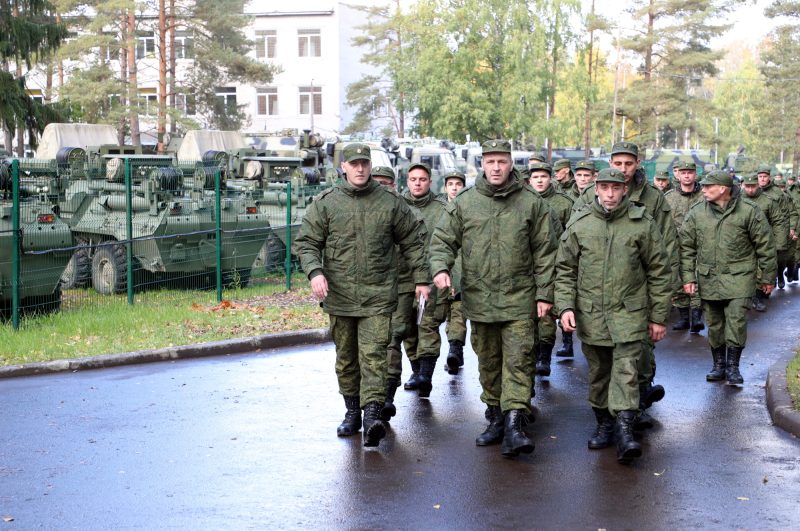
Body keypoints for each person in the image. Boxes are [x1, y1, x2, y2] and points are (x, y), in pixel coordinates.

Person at [293, 143, 431, 448]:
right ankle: (352, 412)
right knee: (346, 358)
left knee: (374, 356)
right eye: (353, 164)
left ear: (370, 166)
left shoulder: (390, 203)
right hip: (340, 297)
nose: (359, 169)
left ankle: (372, 416)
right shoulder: (326, 203)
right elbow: (306, 243)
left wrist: (422, 279)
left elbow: (412, 241)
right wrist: (315, 272)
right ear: (343, 167)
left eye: (364, 164)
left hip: (378, 295)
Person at [429, 139, 557, 458]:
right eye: (490, 161)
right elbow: (443, 240)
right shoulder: (465, 202)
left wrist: (545, 294)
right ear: (482, 165)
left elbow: (546, 252)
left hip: (520, 299)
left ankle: (515, 424)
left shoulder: (531, 203)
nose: (496, 167)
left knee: (519, 360)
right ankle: (496, 417)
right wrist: (441, 268)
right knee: (488, 362)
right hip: (480, 299)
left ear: (511, 163)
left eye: (502, 161)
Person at [555, 168, 671, 464]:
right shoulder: (581, 224)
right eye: (604, 187)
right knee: (598, 375)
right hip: (592, 315)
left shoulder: (641, 224)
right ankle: (604, 424)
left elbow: (659, 272)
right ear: (596, 189)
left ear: (624, 191)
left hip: (630, 315)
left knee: (627, 374)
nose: (609, 193)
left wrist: (658, 317)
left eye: (615, 188)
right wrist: (565, 307)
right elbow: (565, 270)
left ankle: (625, 431)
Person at [573, 142, 679, 422]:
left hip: (638, 290)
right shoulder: (587, 197)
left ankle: (637, 404)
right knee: (605, 360)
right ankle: (619, 412)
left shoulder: (653, 198)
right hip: (601, 290)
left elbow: (665, 246)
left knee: (641, 353)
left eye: (628, 164)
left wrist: (664, 295)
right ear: (610, 163)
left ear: (637, 163)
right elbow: (575, 240)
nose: (623, 169)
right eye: (618, 164)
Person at [680, 170, 776, 386]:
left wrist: (768, 278)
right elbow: (686, 247)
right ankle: (718, 365)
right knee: (714, 325)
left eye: (707, 186)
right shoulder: (697, 213)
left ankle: (733, 367)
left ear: (722, 189)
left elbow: (765, 246)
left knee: (736, 322)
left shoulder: (749, 212)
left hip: (740, 278)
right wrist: (688, 278)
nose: (703, 190)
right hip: (708, 279)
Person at [394, 162, 451, 399]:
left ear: (430, 181)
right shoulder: (397, 206)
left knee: (427, 326)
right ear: (407, 181)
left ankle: (426, 376)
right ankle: (416, 371)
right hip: (402, 278)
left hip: (432, 278)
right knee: (407, 328)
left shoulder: (442, 208)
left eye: (422, 179)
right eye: (413, 179)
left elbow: (450, 242)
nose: (417, 183)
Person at [526, 162, 574, 377]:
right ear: (529, 180)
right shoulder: (522, 202)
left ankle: (544, 357)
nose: (539, 180)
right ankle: (532, 356)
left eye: (543, 176)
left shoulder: (563, 203)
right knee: (527, 317)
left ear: (550, 178)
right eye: (535, 177)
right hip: (525, 268)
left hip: (552, 264)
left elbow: (570, 236)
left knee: (546, 314)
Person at [664, 161, 705, 332]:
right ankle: (684, 317)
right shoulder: (668, 197)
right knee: (677, 278)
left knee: (697, 276)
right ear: (677, 175)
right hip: (676, 244)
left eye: (690, 172)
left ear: (695, 174)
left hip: (700, 243)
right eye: (683, 172)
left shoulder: (704, 195)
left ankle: (696, 316)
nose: (687, 175)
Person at [741, 174, 788, 312]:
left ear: (758, 185)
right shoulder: (737, 200)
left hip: (763, 240)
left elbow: (778, 221)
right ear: (743, 186)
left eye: (753, 186)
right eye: (747, 187)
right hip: (742, 242)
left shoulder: (768, 201)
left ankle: (757, 297)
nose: (750, 190)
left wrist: (780, 243)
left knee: (762, 269)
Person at [442, 170, 468, 374]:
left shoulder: (467, 208)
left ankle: (455, 349)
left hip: (464, 270)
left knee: (457, 311)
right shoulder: (439, 209)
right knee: (446, 314)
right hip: (441, 269)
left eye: (458, 184)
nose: (454, 187)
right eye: (450, 183)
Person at [756, 164, 795, 293]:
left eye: (764, 176)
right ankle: (757, 290)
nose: (762, 179)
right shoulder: (752, 191)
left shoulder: (777, 193)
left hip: (773, 232)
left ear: (769, 177)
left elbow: (785, 214)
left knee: (775, 259)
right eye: (760, 176)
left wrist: (785, 233)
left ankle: (774, 279)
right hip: (755, 232)